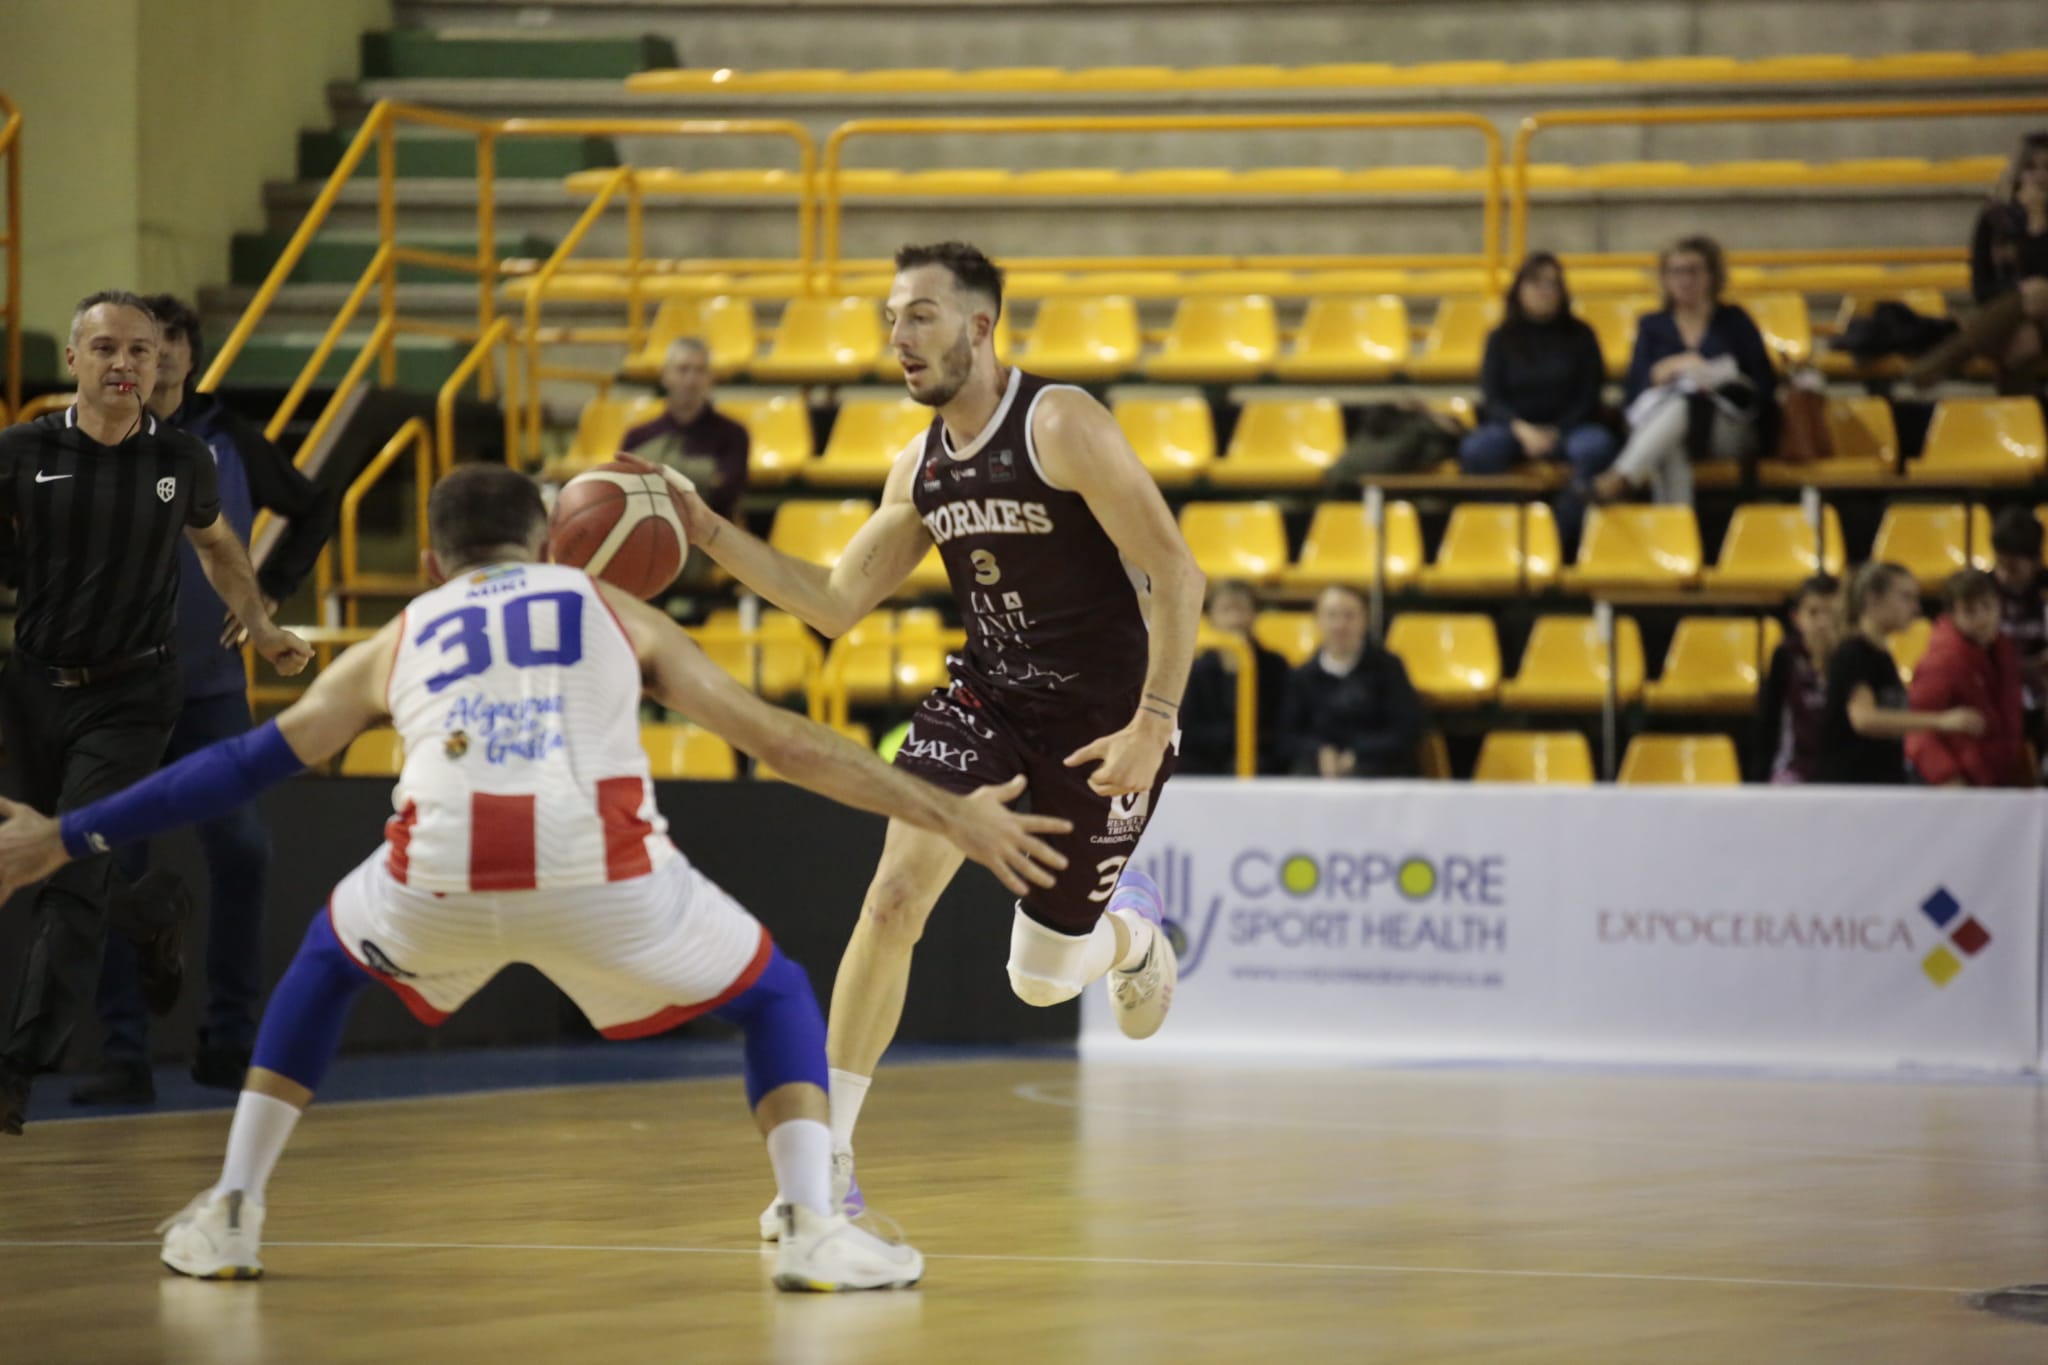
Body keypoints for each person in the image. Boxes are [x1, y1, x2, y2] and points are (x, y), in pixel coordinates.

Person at [0, 463, 1071, 1289]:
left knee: (325, 962)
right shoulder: (613, 610)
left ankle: (233, 1207)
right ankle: (809, 1229)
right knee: (777, 995)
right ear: (550, 543)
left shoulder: (400, 634)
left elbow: (239, 766)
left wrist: (68, 835)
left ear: (430, 564)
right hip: (602, 872)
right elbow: (783, 743)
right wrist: (947, 813)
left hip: (437, 875)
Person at [663, 241, 1205, 1236]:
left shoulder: (1060, 422)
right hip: (986, 707)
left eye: (917, 315)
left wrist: (1151, 725)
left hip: (1100, 731)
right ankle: (827, 1166)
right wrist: (707, 531)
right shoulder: (919, 465)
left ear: (980, 325)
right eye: (888, 318)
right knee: (893, 896)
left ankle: (1132, 935)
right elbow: (830, 602)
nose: (897, 338)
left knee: (1039, 982)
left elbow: (1175, 574)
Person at [0, 291, 311, 1137]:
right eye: (105, 348)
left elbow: (217, 545)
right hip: (30, 687)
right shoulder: (20, 450)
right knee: (55, 863)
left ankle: (16, 1073)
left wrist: (258, 621)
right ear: (74, 360)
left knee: (65, 867)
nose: (125, 363)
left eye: (139, 350)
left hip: (134, 694)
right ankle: (149, 910)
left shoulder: (183, 457)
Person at [73, 294, 340, 1108]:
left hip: (212, 689)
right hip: (115, 688)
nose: (154, 354)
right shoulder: (85, 435)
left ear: (183, 356)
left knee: (245, 849)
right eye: (139, 342)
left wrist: (267, 594)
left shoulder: (226, 437)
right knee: (114, 857)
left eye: (169, 340)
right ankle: (121, 1051)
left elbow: (314, 506)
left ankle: (230, 1038)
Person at [1594, 236, 1778, 507]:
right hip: (1668, 429)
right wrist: (1659, 373)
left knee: (1681, 408)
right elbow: (1632, 395)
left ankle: (1621, 476)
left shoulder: (1735, 321)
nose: (1684, 280)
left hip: (1727, 428)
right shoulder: (1652, 326)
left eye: (1693, 270)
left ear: (1712, 275)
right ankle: (1677, 536)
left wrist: (1719, 379)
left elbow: (1764, 386)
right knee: (1671, 437)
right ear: (1665, 278)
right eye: (1676, 271)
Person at [1456, 252, 1617, 543]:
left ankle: (1559, 534)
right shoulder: (1500, 337)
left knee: (1596, 448)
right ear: (1519, 290)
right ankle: (1507, 531)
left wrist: (1556, 432)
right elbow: (1492, 398)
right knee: (1477, 450)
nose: (1544, 291)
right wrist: (1523, 430)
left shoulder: (1582, 335)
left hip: (1572, 427)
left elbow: (1589, 394)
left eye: (1552, 284)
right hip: (1515, 428)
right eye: (1535, 283)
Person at [1816, 562, 1981, 785]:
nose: (1915, 608)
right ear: (1874, 599)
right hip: (1852, 786)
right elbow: (1864, 719)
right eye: (1906, 597)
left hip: (1880, 781)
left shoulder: (1882, 655)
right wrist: (1941, 721)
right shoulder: (1853, 653)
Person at [1907, 131, 2048, 392]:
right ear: (2018, 173)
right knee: (2023, 343)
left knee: (2042, 293)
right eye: (2032, 168)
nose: (2040, 177)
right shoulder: (1993, 218)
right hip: (2008, 323)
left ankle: (1944, 359)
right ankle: (2023, 427)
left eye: (2047, 169)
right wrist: (2023, 304)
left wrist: (2038, 226)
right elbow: (1981, 289)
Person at [1273, 584, 1425, 778]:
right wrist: (1320, 752)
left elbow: (1407, 730)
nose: (1340, 625)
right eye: (1332, 616)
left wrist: (1360, 754)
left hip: (1379, 767)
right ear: (1318, 620)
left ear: (1365, 620)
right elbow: (1287, 736)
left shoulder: (1389, 668)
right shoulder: (1302, 676)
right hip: (1317, 769)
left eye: (1349, 616)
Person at [1906, 570, 2032, 787]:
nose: (1984, 618)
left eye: (1989, 607)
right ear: (1952, 615)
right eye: (1970, 611)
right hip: (1961, 783)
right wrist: (1947, 777)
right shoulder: (1941, 661)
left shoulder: (2003, 651)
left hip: (1997, 777)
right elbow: (1917, 730)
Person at [1178, 579, 1289, 775]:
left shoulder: (1275, 666)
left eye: (1241, 610)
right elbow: (1189, 730)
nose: (1235, 620)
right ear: (1211, 618)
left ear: (1254, 615)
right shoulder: (1195, 669)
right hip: (1207, 761)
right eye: (1226, 610)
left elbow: (1281, 726)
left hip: (1261, 760)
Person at [1754, 573, 1841, 784]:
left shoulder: (1853, 655)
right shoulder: (1786, 655)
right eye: (1813, 613)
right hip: (1795, 770)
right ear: (1796, 618)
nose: (1822, 622)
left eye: (1831, 613)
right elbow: (1768, 719)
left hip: (1841, 771)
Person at [1989, 504, 2048, 764]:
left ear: (2035, 561)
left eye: (2013, 568)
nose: (2004, 575)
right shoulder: (1983, 590)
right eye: (1999, 565)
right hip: (1996, 696)